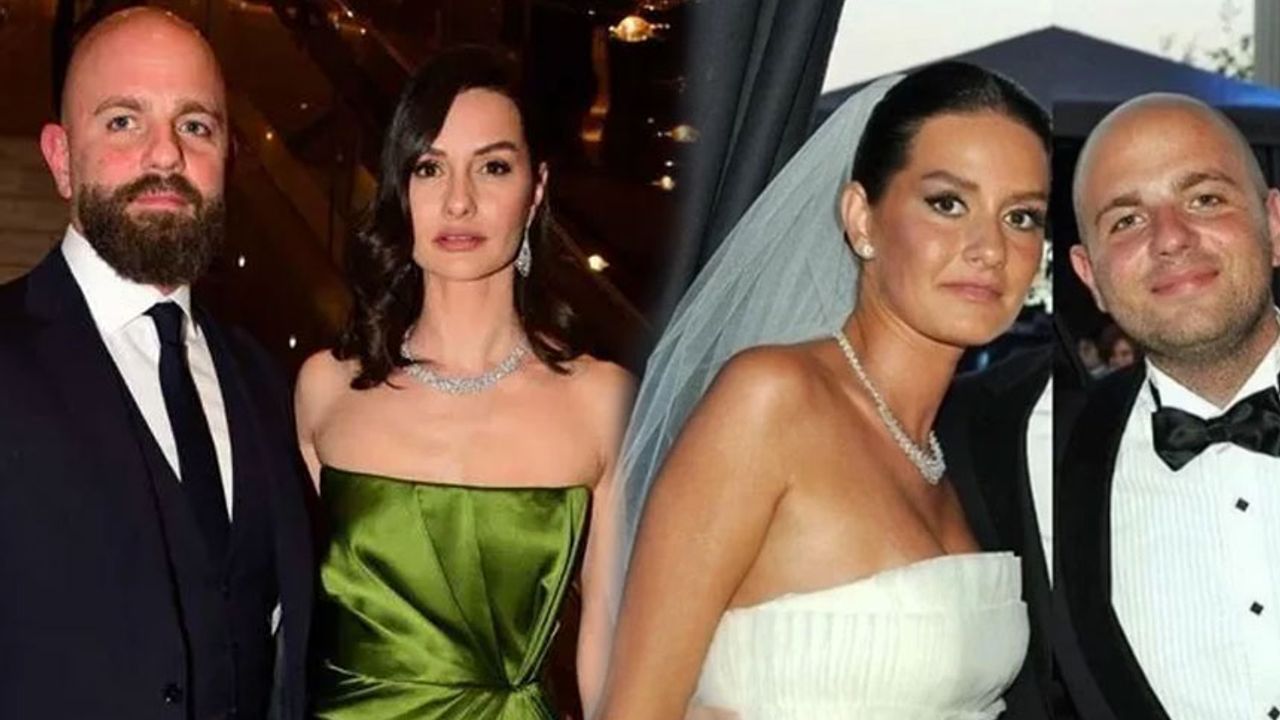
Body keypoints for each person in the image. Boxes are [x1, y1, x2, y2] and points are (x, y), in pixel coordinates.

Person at [596, 62, 1051, 719]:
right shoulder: (770, 400)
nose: (989, 248)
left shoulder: (950, 457)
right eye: (948, 203)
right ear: (861, 218)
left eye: (1021, 216)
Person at [295, 47, 633, 720]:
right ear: (399, 189)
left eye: (493, 167)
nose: (458, 201)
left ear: (536, 189)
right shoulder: (326, 388)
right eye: (429, 168)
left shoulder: (602, 401)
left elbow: (609, 656)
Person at [0, 8, 314, 719]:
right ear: (60, 158)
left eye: (195, 125)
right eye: (124, 121)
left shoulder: (263, 380)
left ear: (227, 156)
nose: (167, 155)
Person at [1060, 93, 1280, 720]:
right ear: (1090, 276)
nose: (1171, 238)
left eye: (1204, 199)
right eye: (1126, 220)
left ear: (1274, 226)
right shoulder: (1052, 467)